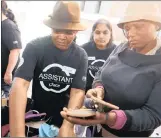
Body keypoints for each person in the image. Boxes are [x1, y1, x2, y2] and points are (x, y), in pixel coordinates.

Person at [60, 1, 161, 137]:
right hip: (97, 129)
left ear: (157, 26)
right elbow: (100, 74)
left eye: (139, 27)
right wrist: (98, 89)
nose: (131, 34)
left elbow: (152, 115)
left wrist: (108, 118)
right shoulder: (122, 47)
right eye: (127, 28)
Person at [9, 1, 88, 137]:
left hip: (63, 118)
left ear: (76, 31)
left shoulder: (80, 55)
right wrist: (18, 132)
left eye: (68, 32)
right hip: (36, 117)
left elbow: (77, 92)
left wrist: (67, 125)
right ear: (51, 27)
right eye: (57, 30)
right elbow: (20, 85)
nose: (62, 37)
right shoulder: (35, 47)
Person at [82, 19, 116, 91]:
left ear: (110, 34)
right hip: (83, 92)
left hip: (104, 95)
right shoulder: (83, 50)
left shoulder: (117, 52)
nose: (101, 36)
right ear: (93, 33)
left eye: (105, 33)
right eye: (97, 32)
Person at [1, 0, 22, 98]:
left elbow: (15, 51)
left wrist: (8, 73)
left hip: (4, 78)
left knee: (5, 105)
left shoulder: (9, 26)